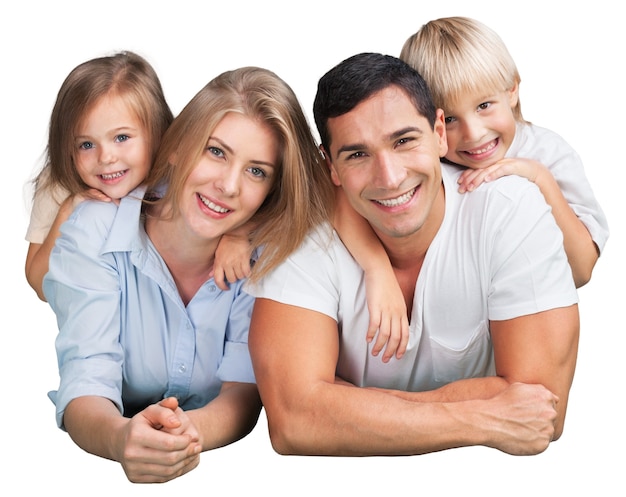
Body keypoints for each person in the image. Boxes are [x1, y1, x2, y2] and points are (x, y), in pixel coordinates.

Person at [247, 53, 580, 457]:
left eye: (404, 141)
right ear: (330, 166)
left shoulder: (509, 208)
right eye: (357, 154)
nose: (389, 178)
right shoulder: (303, 236)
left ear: (439, 133)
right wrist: (483, 418)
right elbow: (295, 421)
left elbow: (542, 410)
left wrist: (346, 409)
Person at [43, 66, 332, 483]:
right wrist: (120, 437)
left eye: (257, 171)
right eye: (216, 152)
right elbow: (86, 375)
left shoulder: (270, 258)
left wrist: (187, 435)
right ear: (178, 145)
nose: (228, 185)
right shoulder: (95, 230)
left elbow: (244, 390)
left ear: (273, 188)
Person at [332, 17, 609, 361]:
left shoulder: (547, 154)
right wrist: (377, 269)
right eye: (450, 119)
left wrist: (537, 178)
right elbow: (337, 194)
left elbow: (582, 270)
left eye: (483, 106)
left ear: (512, 90)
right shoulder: (424, 160)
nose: (474, 134)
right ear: (431, 124)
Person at [24, 51, 173, 302]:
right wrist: (67, 210)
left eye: (121, 138)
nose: (105, 158)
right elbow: (40, 285)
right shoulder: (60, 182)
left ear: (157, 132)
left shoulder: (180, 173)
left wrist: (235, 239)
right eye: (86, 145)